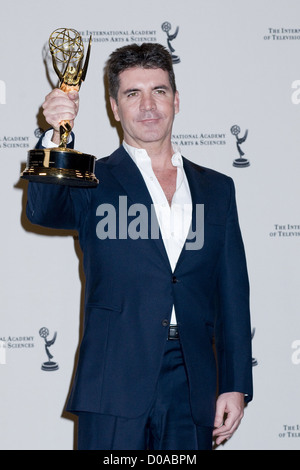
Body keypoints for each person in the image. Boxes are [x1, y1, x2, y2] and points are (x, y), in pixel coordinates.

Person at [26, 43, 253, 450]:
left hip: (193, 379)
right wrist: (55, 136)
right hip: (113, 377)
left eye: (159, 91)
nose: (148, 105)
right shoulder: (92, 179)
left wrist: (235, 384)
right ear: (115, 107)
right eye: (133, 94)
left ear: (176, 100)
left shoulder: (218, 188)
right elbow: (43, 210)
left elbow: (233, 294)